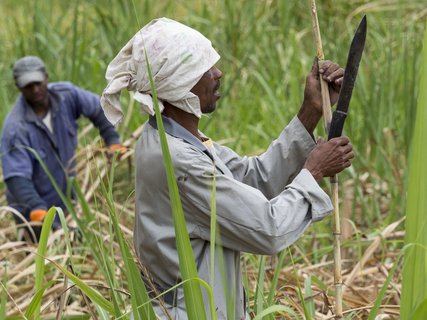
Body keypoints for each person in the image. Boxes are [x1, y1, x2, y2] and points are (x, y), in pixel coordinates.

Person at [101, 18, 354, 319]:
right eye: (205, 69)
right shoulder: (179, 160)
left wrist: (310, 110)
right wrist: (313, 172)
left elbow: (254, 178)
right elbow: (268, 229)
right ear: (178, 82)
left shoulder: (174, 138)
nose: (218, 73)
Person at [1, 56, 126, 241]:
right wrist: (38, 209)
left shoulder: (67, 95)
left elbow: (99, 109)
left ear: (46, 77)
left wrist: (112, 140)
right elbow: (17, 178)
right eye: (28, 86)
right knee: (45, 259)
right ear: (18, 87)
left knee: (78, 251)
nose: (35, 89)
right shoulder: (15, 128)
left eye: (38, 82)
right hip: (34, 210)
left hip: (67, 196)